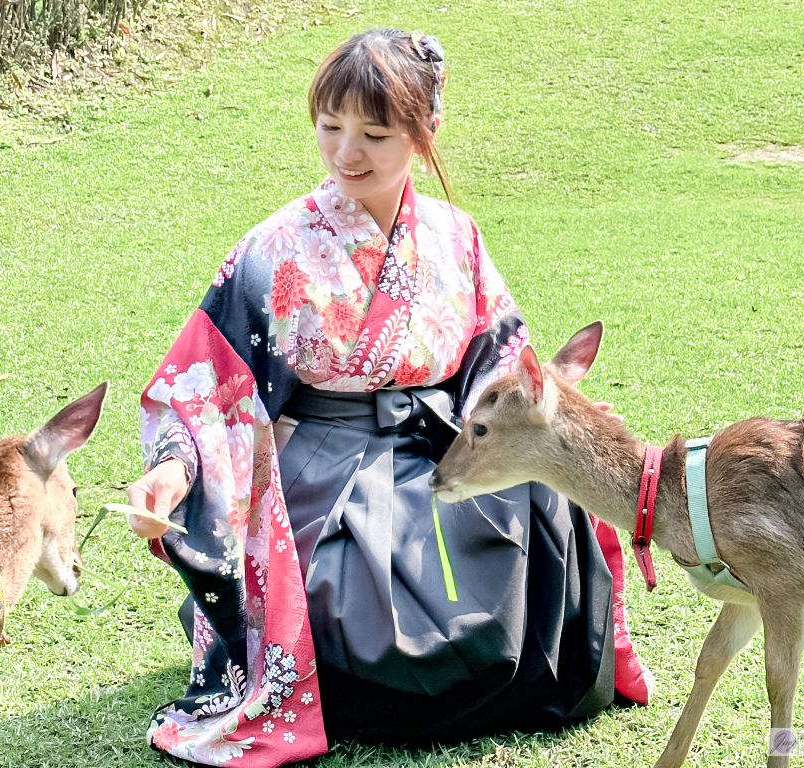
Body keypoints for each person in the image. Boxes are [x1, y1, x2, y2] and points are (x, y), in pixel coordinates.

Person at [127, 27, 654, 767]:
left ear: (423, 132)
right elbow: (205, 379)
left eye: (374, 133)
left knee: (548, 493)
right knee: (371, 610)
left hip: (442, 443)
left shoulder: (455, 237)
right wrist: (175, 469)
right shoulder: (274, 250)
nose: (347, 152)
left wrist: (559, 415)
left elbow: (498, 353)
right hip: (327, 468)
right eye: (330, 127)